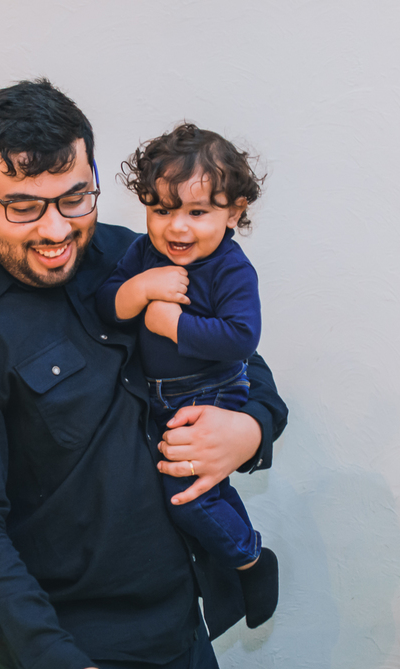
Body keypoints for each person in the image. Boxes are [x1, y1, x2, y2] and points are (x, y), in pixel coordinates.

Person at [0, 79, 287, 669]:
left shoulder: (127, 254)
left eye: (74, 199)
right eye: (22, 206)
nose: (55, 230)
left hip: (181, 632)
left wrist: (250, 429)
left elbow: (238, 359)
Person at [96, 124, 279, 630]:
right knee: (204, 489)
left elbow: (241, 338)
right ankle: (239, 555)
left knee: (187, 500)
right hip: (158, 397)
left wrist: (172, 324)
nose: (176, 228)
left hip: (211, 393)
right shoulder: (143, 255)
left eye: (197, 213)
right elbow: (107, 304)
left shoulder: (231, 268)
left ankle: (250, 560)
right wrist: (140, 289)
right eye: (161, 210)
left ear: (234, 212)